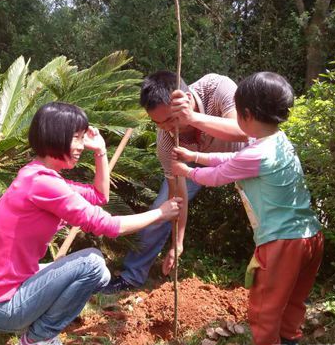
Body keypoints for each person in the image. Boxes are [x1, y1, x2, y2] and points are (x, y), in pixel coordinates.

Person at [0, 102, 182, 345]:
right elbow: (109, 226)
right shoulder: (44, 184)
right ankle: (36, 342)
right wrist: (161, 213)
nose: (82, 146)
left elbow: (99, 196)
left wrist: (101, 152)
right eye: (77, 138)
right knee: (92, 263)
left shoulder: (37, 175)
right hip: (3, 309)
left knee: (99, 272)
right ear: (55, 135)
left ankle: (34, 326)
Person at [170, 71, 323, 345]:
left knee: (266, 298)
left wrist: (187, 172)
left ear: (247, 114)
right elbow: (235, 159)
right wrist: (196, 157)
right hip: (310, 236)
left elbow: (218, 176)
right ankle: (289, 339)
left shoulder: (256, 154)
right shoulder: (276, 140)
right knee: (294, 296)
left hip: (282, 242)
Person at [103, 70, 247, 294]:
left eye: (171, 119)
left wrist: (193, 119)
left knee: (263, 217)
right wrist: (177, 243)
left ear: (187, 100)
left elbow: (243, 131)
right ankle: (132, 275)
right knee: (162, 207)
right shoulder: (167, 142)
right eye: (158, 123)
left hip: (243, 157)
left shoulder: (217, 87)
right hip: (193, 162)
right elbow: (177, 198)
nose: (168, 128)